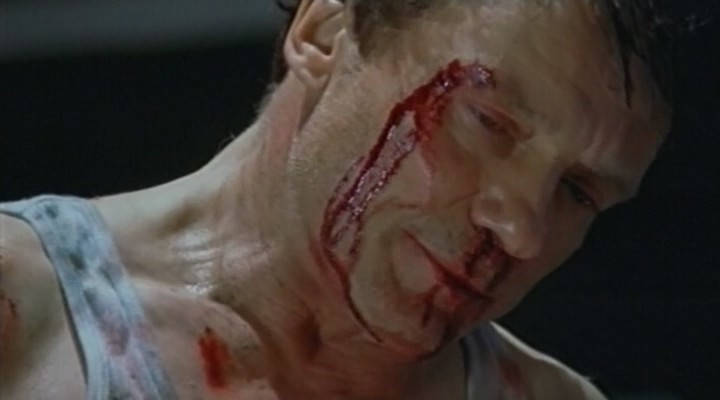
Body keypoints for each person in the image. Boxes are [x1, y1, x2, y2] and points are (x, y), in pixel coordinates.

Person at [0, 0, 677, 398]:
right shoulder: (24, 312)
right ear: (323, 32)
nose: (521, 229)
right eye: (488, 122)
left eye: (578, 191)